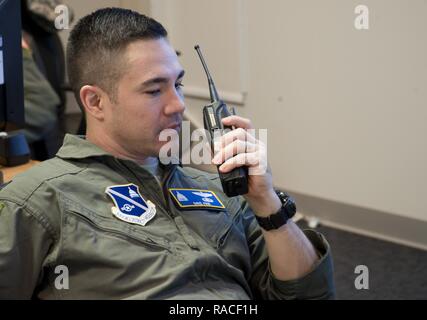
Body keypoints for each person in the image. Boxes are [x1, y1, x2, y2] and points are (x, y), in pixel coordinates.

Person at [0, 8, 335, 299]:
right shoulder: (38, 200)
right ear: (95, 102)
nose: (177, 105)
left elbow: (310, 296)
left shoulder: (226, 192)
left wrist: (269, 208)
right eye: (154, 90)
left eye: (177, 84)